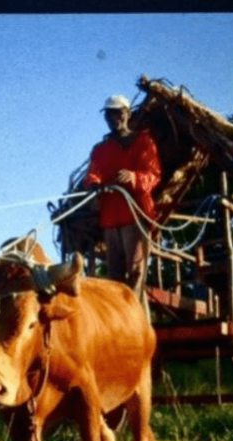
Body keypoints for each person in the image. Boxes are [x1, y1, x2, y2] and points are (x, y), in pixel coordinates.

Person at [83, 94, 162, 299]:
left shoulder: (144, 142)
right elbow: (93, 174)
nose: (113, 119)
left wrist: (134, 177)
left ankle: (132, 313)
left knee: (135, 272)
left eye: (117, 114)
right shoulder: (101, 149)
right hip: (110, 218)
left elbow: (153, 175)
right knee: (114, 276)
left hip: (135, 215)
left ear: (127, 114)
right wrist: (95, 184)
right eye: (109, 115)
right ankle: (119, 313)